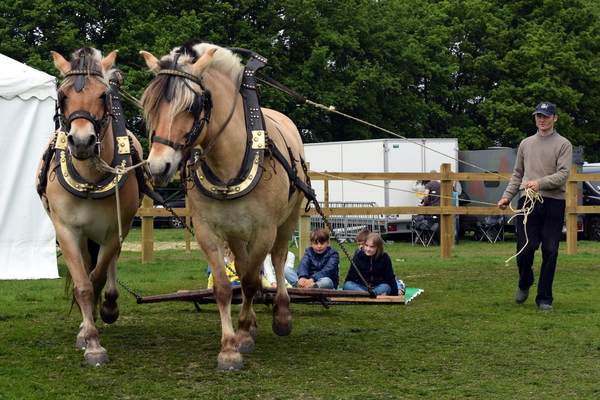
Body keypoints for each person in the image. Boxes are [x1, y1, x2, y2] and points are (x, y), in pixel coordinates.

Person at [497, 101, 572, 311]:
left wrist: (540, 183)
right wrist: (507, 196)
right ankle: (525, 280)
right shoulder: (526, 143)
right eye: (538, 115)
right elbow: (518, 174)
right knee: (525, 248)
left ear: (555, 118)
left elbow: (563, 173)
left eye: (546, 116)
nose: (541, 119)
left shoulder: (563, 144)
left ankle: (544, 298)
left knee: (550, 250)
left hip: (554, 202)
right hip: (527, 202)